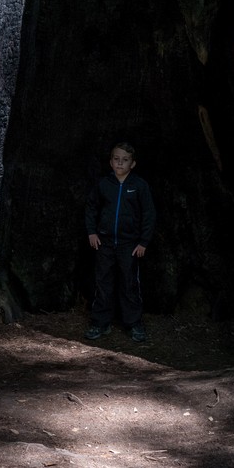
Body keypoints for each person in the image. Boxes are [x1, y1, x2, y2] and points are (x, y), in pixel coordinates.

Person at [84, 142, 156, 342]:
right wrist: (92, 233)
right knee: (103, 282)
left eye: (125, 160)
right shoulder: (104, 184)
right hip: (104, 242)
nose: (120, 163)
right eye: (116, 159)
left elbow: (149, 214)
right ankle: (100, 322)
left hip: (129, 245)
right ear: (110, 161)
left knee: (129, 283)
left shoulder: (139, 186)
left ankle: (133, 324)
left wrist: (143, 242)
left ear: (132, 164)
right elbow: (91, 208)